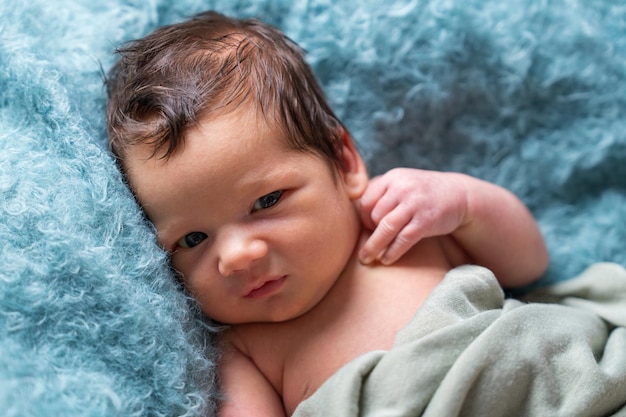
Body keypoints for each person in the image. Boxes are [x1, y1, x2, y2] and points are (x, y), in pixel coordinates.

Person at [106, 11, 549, 416]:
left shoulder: (398, 221)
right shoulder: (243, 349)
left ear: (343, 163)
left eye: (267, 201)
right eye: (193, 239)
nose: (237, 255)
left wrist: (464, 204)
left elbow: (528, 264)